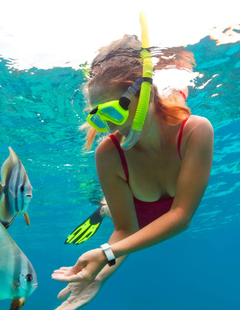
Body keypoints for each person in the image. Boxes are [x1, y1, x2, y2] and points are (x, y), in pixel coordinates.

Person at [52, 33, 214, 309]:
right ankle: (104, 207)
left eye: (113, 113)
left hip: (165, 105)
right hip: (130, 211)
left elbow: (181, 216)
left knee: (176, 94)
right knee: (111, 210)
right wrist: (100, 277)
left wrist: (105, 254)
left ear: (145, 94)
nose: (111, 128)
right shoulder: (108, 154)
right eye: (99, 117)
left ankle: (105, 206)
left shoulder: (195, 131)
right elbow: (125, 229)